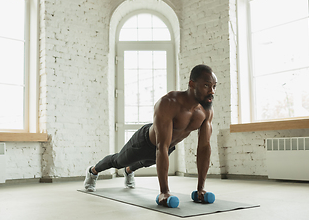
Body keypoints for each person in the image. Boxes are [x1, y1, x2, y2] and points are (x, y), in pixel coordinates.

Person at [84, 64, 217, 206]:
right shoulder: (168, 103)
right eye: (206, 86)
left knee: (145, 163)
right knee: (118, 161)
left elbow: (204, 147)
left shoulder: (206, 111)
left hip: (167, 147)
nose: (212, 91)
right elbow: (161, 147)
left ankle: (128, 171)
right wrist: (164, 192)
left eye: (214, 86)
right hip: (144, 142)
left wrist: (200, 189)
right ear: (192, 84)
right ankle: (93, 171)